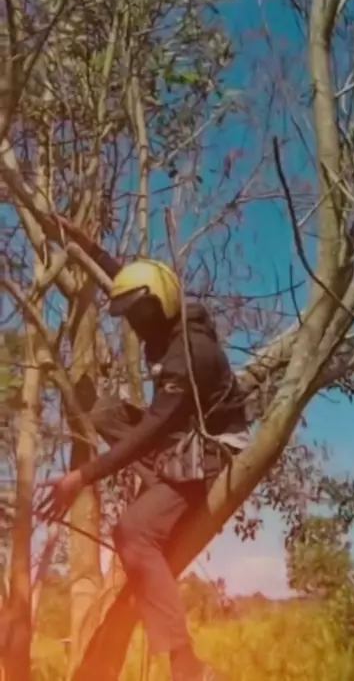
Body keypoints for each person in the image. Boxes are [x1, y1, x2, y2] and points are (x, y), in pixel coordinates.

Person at [40, 218, 249, 681]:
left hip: (211, 449)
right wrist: (80, 240)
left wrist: (81, 477)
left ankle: (186, 664)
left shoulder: (189, 353)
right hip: (182, 432)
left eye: (138, 316)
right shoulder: (162, 313)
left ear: (159, 306)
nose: (134, 327)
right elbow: (120, 276)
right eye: (129, 317)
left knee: (132, 533)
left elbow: (154, 429)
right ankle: (161, 488)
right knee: (105, 413)